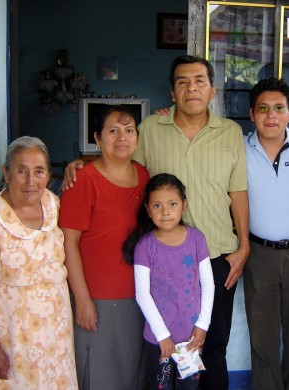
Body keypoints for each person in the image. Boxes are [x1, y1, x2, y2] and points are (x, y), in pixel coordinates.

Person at [63, 55, 249, 390]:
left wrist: (244, 246)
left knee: (213, 345)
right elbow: (120, 163)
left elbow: (238, 193)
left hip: (216, 258)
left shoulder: (232, 132)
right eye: (182, 82)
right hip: (160, 263)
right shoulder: (150, 129)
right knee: (161, 351)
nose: (191, 87)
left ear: (212, 90)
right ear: (172, 93)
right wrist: (82, 163)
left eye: (199, 81)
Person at [0, 136, 77, 389]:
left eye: (39, 171)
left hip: (56, 334)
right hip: (13, 337)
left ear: (49, 174)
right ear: (6, 173)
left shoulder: (54, 204)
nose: (30, 181)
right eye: (21, 171)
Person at [59, 105, 149, 389]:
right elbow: (68, 244)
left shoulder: (144, 176)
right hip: (97, 298)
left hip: (140, 295)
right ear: (97, 138)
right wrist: (82, 300)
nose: (122, 137)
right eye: (113, 131)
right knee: (97, 373)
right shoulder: (83, 179)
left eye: (129, 130)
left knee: (131, 372)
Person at [243, 77, 289, 389]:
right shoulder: (237, 148)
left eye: (278, 108)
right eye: (263, 108)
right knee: (263, 336)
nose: (270, 115)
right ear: (251, 114)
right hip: (258, 255)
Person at [123, 173, 215, 389]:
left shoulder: (196, 239)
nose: (165, 211)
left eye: (172, 204)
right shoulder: (145, 247)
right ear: (148, 209)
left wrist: (202, 325)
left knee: (189, 387)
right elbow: (142, 295)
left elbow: (208, 285)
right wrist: (162, 336)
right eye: (157, 205)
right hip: (158, 340)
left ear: (184, 205)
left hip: (191, 341)